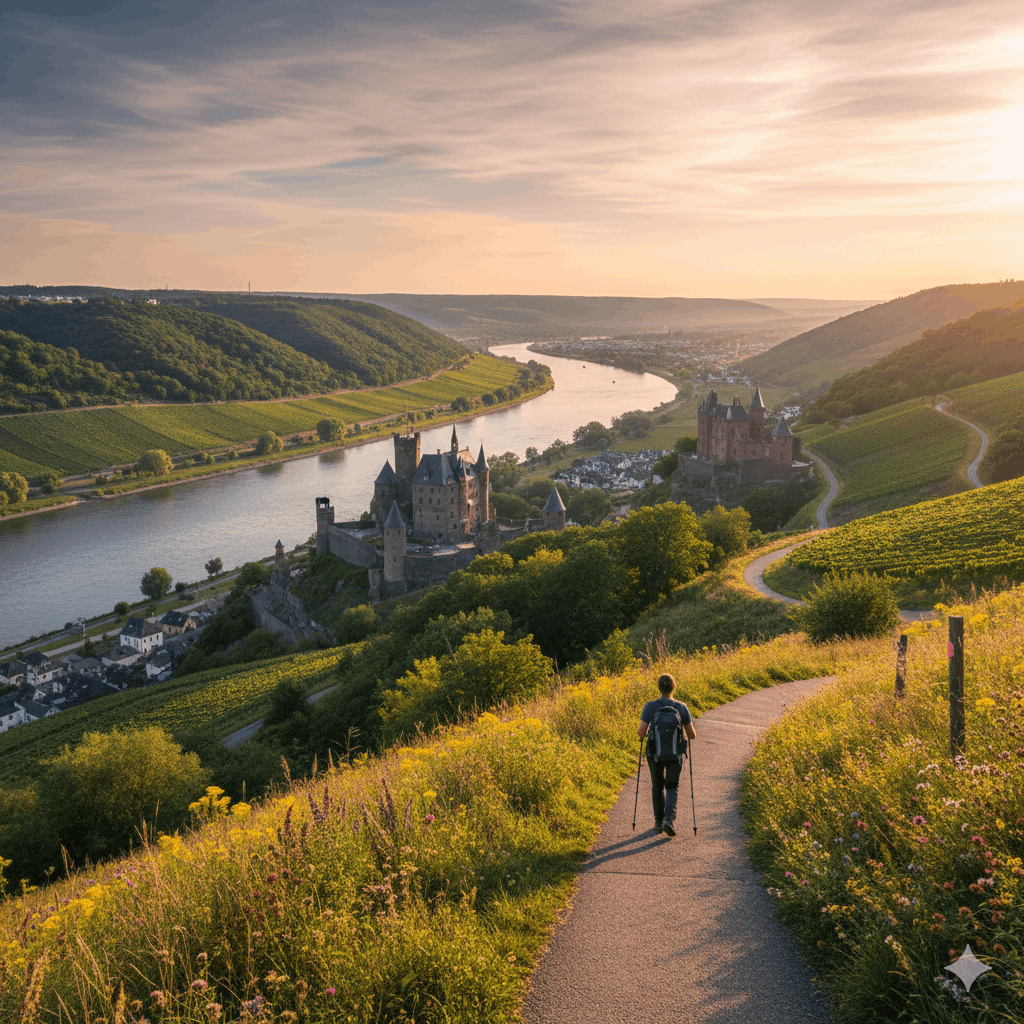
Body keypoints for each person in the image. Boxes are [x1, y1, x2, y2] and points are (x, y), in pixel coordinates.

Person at [638, 673, 696, 837]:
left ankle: (658, 822)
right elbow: (691, 735)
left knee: (657, 785)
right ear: (673, 687)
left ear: (659, 688)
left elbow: (641, 732)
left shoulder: (650, 706)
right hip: (675, 753)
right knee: (672, 786)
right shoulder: (682, 707)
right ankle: (668, 820)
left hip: (654, 753)